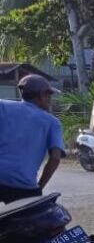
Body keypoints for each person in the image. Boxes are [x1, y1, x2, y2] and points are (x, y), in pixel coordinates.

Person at [0, 75, 64, 203]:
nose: (50, 99)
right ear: (41, 95)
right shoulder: (52, 122)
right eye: (49, 95)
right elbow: (55, 158)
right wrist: (39, 188)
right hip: (23, 186)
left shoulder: (3, 106)